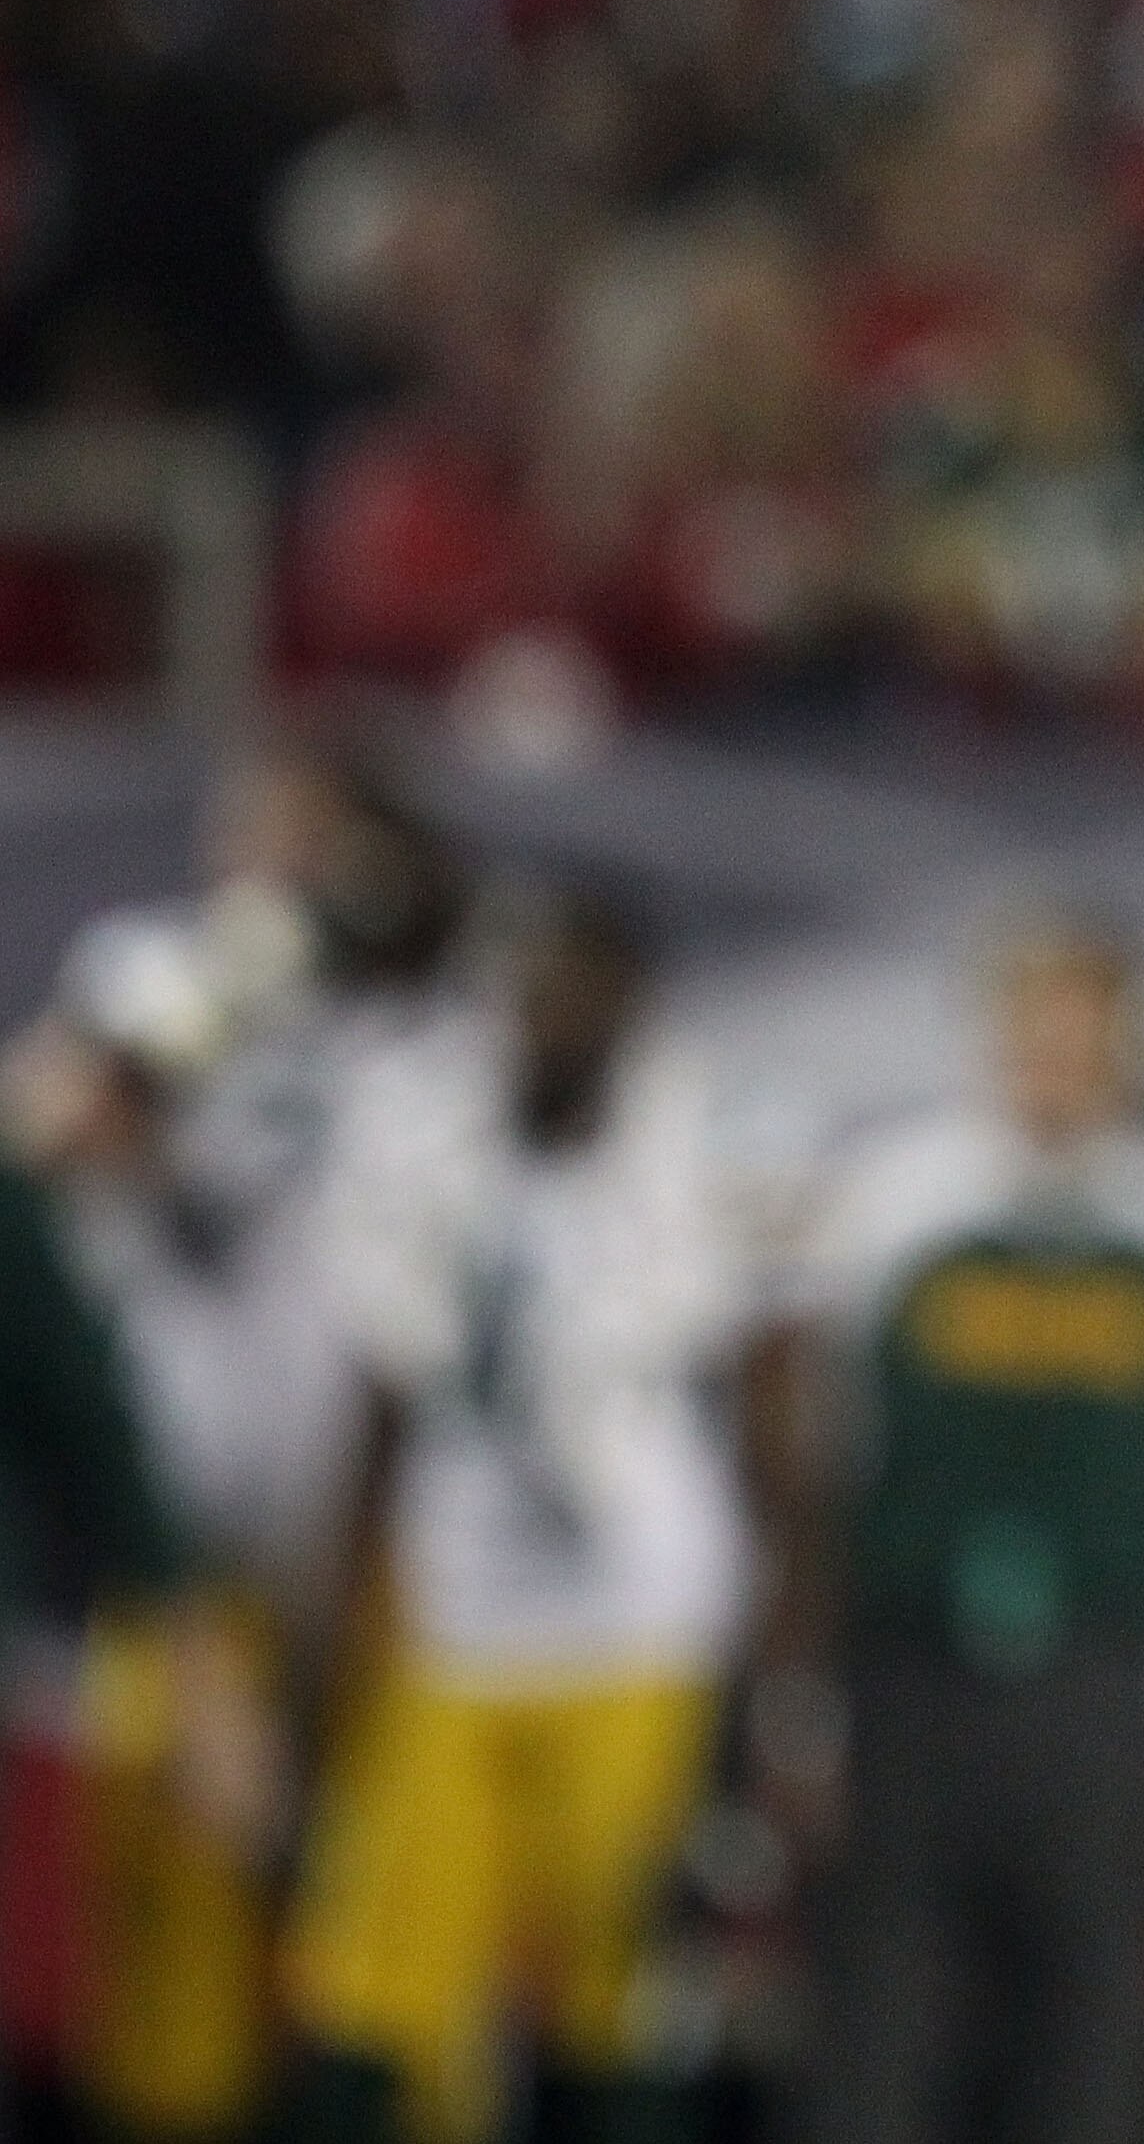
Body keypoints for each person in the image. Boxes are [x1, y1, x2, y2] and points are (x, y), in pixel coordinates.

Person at [764, 908, 1144, 2144]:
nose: (1055, 1058)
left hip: (1099, 1687)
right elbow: (813, 1476)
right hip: (909, 1682)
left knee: (1098, 2048)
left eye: (1086, 1031)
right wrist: (798, 1705)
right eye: (1032, 1025)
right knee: (880, 2041)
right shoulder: (885, 1209)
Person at [282, 885, 752, 2144]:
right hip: (460, 1618)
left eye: (568, 987)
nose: (539, 1017)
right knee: (378, 1980)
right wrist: (332, 1606)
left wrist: (778, 1685)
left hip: (642, 1628)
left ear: (631, 1005)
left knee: (631, 1987)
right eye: (522, 989)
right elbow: (381, 1392)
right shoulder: (426, 1151)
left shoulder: (703, 1154)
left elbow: (776, 1423)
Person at [7, 917, 357, 2144]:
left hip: (159, 1626)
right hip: (77, 1633)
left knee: (167, 2023)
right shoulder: (34, 1205)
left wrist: (236, 1674)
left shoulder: (239, 1234)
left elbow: (233, 1464)